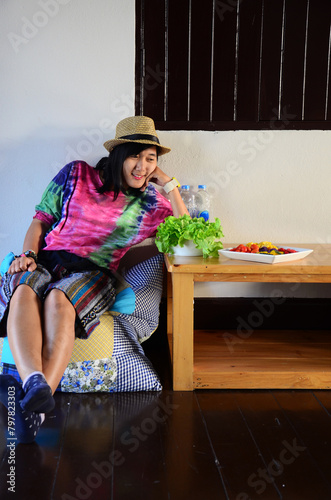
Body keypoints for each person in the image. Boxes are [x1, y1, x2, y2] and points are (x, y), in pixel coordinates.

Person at [0, 115, 189, 443]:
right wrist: (28, 256)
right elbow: (40, 220)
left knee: (61, 299)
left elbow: (186, 235)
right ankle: (35, 385)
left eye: (150, 159)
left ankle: (36, 404)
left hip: (95, 272)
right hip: (47, 259)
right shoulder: (76, 174)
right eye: (135, 156)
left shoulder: (150, 203)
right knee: (23, 288)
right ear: (118, 154)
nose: (142, 167)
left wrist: (168, 184)